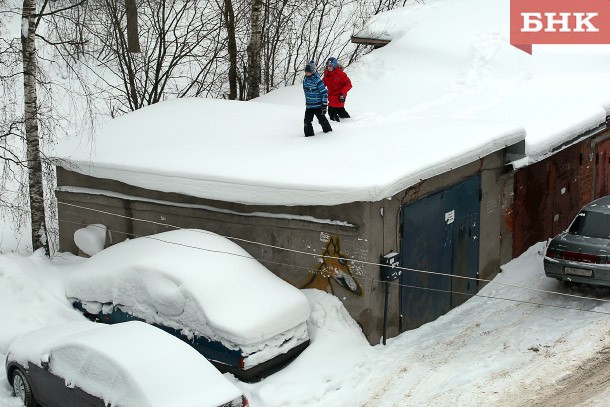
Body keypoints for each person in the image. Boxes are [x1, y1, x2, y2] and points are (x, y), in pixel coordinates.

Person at [303, 61, 332, 137]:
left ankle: (329, 133)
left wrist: (324, 105)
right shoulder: (305, 80)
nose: (307, 73)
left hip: (318, 106)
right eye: (306, 71)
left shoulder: (317, 80)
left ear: (312, 71)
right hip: (309, 106)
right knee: (307, 121)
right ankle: (309, 136)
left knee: (322, 120)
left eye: (308, 72)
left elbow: (324, 92)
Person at [323, 57, 352, 122]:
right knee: (340, 110)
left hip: (339, 97)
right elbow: (323, 83)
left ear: (335, 65)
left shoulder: (341, 74)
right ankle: (347, 120)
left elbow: (349, 84)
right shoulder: (327, 74)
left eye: (331, 66)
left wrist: (342, 92)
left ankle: (337, 124)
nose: (329, 68)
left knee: (331, 111)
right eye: (328, 66)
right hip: (331, 97)